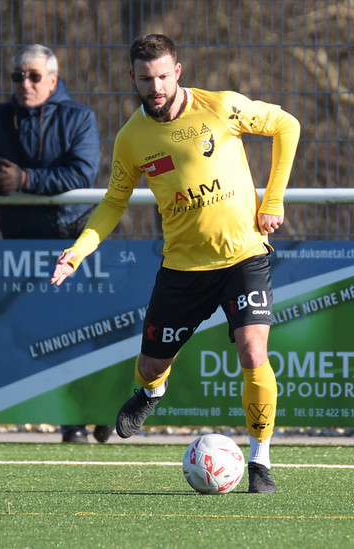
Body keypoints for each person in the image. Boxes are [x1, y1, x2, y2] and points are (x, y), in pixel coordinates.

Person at [50, 33, 300, 493]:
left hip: (244, 256)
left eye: (164, 76)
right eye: (146, 79)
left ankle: (260, 460)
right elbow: (113, 202)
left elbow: (287, 125)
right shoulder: (132, 139)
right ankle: (152, 392)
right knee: (150, 366)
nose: (156, 86)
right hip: (183, 268)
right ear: (133, 78)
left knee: (253, 351)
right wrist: (79, 250)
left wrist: (273, 200)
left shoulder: (220, 106)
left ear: (178, 71)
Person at [0, 44, 110, 444]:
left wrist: (25, 180)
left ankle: (90, 414)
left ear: (53, 80)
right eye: (17, 76)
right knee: (36, 335)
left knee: (77, 332)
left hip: (69, 242)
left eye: (33, 76)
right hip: (19, 246)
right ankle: (76, 415)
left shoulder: (79, 116)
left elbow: (81, 175)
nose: (24, 83)